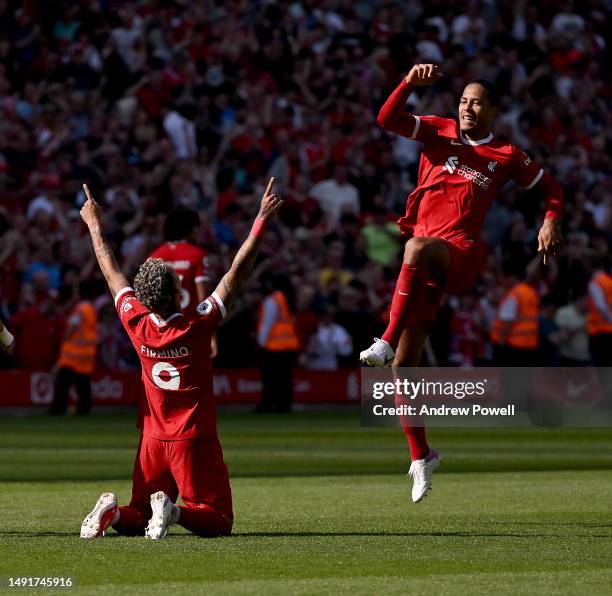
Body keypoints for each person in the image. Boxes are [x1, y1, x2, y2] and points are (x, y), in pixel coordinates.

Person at [359, 64, 564, 503]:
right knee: (404, 369)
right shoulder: (438, 131)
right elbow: (386, 120)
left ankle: (385, 337)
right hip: (427, 264)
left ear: (493, 111)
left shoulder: (508, 154)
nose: (468, 108)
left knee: (414, 249)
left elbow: (552, 189)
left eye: (477, 102)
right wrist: (408, 83)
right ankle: (421, 456)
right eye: (464, 101)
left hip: (461, 255)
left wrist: (550, 221)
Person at [80, 179, 283, 539]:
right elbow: (236, 273)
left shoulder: (135, 320)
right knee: (220, 519)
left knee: (139, 515)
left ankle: (111, 514)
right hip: (193, 437)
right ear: (177, 293)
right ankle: (174, 511)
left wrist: (94, 224)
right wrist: (261, 220)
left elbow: (110, 272)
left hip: (152, 439)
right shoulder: (198, 325)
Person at [149, 206, 217, 356]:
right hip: (189, 330)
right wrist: (211, 335)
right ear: (191, 229)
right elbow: (204, 300)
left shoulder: (154, 257)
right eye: (197, 227)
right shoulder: (198, 255)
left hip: (160, 332)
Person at [49, 281, 99, 416]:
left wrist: (64, 337)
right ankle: (84, 410)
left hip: (72, 355)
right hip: (86, 355)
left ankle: (58, 409)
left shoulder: (81, 309)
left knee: (63, 385)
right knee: (83, 386)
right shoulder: (91, 309)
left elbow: (73, 326)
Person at [256, 275, 300, 413]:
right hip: (289, 346)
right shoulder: (288, 299)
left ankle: (267, 405)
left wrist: (261, 343)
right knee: (285, 379)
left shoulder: (273, 300)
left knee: (270, 379)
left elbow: (267, 324)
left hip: (273, 347)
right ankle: (284, 405)